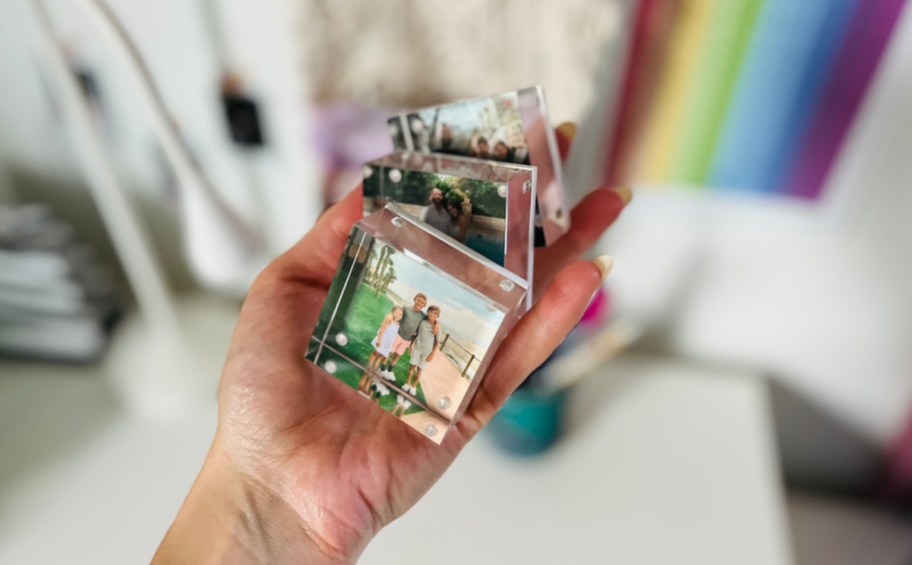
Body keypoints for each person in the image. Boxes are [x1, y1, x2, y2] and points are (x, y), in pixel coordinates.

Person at [152, 124, 631, 564]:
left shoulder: (432, 306)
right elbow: (404, 316)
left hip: (414, 338)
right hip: (393, 338)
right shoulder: (407, 306)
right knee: (390, 353)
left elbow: (431, 320)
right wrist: (258, 488)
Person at [378, 293, 426, 383]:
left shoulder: (423, 317)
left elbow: (429, 323)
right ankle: (382, 368)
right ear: (414, 299)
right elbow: (396, 316)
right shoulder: (406, 309)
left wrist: (412, 342)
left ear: (424, 305)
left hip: (407, 340)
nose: (419, 303)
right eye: (418, 300)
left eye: (422, 302)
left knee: (397, 355)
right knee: (389, 352)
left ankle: (389, 371)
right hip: (398, 335)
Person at [358, 305, 404, 393]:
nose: (399, 315)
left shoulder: (398, 324)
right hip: (382, 339)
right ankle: (370, 366)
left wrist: (390, 345)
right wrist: (379, 340)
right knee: (375, 353)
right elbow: (382, 329)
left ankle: (374, 369)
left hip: (387, 343)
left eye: (401, 314)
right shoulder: (389, 319)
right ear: (392, 312)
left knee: (380, 356)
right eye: (397, 312)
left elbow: (393, 335)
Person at [404, 305, 440, 395]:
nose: (432, 314)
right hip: (417, 348)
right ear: (427, 312)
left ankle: (414, 386)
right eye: (431, 312)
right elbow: (416, 334)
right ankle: (407, 384)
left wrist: (432, 355)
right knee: (412, 366)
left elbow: (437, 343)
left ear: (437, 316)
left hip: (427, 352)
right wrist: (411, 344)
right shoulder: (422, 322)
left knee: (420, 369)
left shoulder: (437, 327)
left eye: (435, 313)